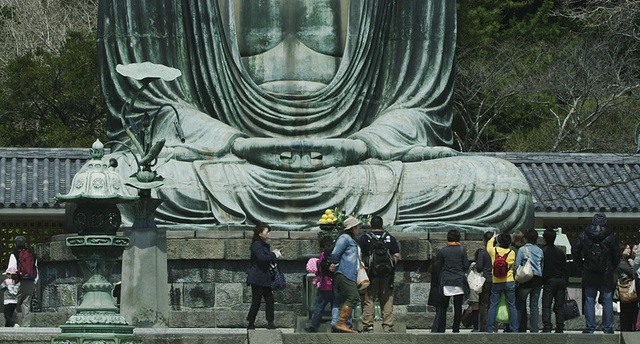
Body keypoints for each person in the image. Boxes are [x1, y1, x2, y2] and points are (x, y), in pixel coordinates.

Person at [96, 0, 534, 232]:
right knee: (114, 184)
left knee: (502, 187)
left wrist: (363, 144)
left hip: (364, 164)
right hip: (223, 162)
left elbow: (420, 109)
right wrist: (236, 143)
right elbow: (152, 106)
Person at [572, 212, 620, 334]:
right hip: (606, 272)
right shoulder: (610, 236)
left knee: (589, 299)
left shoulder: (584, 235)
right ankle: (608, 327)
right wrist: (612, 267)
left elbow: (575, 249)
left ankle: (590, 327)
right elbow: (617, 255)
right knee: (607, 299)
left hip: (589, 271)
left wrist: (581, 265)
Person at [357, 216, 400, 333]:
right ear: (382, 225)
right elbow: (396, 255)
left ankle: (368, 326)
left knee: (368, 299)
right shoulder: (390, 238)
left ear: (371, 225)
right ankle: (387, 326)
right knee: (387, 299)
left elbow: (358, 255)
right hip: (387, 275)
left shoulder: (364, 238)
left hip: (370, 274)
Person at [246, 222, 282, 330]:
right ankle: (251, 322)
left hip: (264, 276)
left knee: (269, 300)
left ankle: (270, 322)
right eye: (267, 232)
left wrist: (273, 255)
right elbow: (261, 258)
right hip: (257, 277)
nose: (268, 235)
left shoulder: (263, 245)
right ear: (260, 234)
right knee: (256, 301)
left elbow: (265, 258)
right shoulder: (256, 244)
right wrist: (273, 254)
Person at [329, 216, 361, 333]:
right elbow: (335, 253)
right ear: (352, 228)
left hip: (348, 273)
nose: (359, 230)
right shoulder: (345, 238)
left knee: (343, 299)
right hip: (344, 272)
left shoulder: (350, 239)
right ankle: (341, 322)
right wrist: (335, 263)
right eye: (357, 227)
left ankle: (343, 324)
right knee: (353, 296)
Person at [434, 230, 469, 333]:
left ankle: (441, 328)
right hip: (458, 280)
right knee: (458, 307)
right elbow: (466, 266)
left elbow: (439, 266)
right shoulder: (462, 250)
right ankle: (456, 328)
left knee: (443, 307)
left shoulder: (443, 251)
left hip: (446, 280)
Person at [305, 236, 340, 333]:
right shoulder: (337, 254)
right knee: (335, 306)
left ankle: (314, 325)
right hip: (335, 285)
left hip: (325, 284)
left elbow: (319, 269)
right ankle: (336, 325)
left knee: (319, 306)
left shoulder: (323, 255)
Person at [486, 233, 519, 333]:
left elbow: (488, 246)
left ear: (499, 241)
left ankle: (490, 328)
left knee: (493, 305)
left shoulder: (493, 251)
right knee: (512, 306)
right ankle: (514, 329)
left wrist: (493, 238)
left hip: (496, 280)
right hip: (509, 280)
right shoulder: (512, 253)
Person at [515, 229, 544, 333]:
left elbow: (517, 265)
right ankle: (534, 328)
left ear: (525, 238)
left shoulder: (522, 250)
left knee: (520, 305)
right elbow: (542, 266)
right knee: (534, 305)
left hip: (526, 280)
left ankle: (517, 327)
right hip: (538, 279)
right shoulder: (540, 250)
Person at [5, 236, 38, 327]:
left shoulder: (14, 254)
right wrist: (34, 282)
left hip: (18, 282)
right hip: (30, 281)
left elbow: (11, 269)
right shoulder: (32, 254)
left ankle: (15, 323)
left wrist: (9, 283)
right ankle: (26, 324)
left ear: (15, 244)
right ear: (25, 243)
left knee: (13, 302)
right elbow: (36, 269)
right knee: (26, 304)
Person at [541, 227, 568, 333]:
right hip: (561, 280)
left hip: (549, 280)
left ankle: (547, 326)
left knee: (546, 304)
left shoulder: (543, 251)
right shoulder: (560, 252)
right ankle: (560, 325)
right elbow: (565, 267)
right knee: (559, 305)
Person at [616, 243, 638, 331]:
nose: (629, 250)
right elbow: (632, 272)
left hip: (628, 288)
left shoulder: (627, 260)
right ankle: (627, 328)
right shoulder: (621, 261)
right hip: (626, 288)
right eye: (627, 248)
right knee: (627, 310)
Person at [474, 232, 494, 332]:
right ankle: (494, 326)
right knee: (493, 304)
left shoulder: (483, 252)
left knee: (483, 304)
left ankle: (484, 326)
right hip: (496, 279)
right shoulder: (496, 251)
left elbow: (479, 267)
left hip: (485, 279)